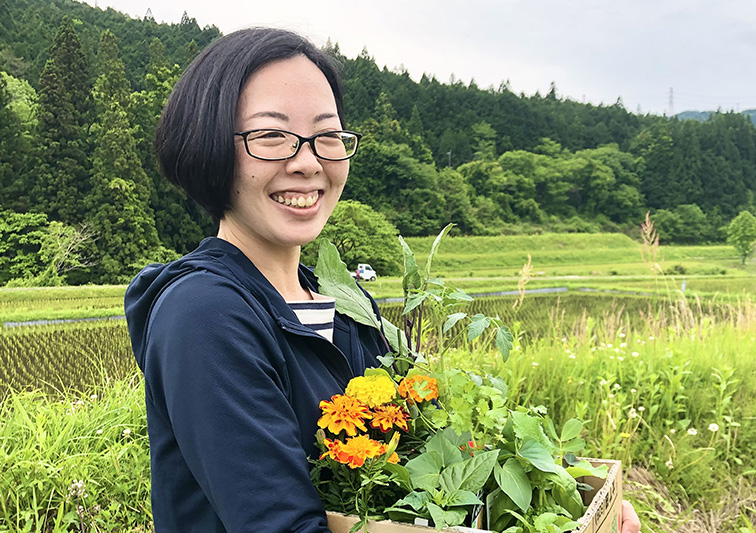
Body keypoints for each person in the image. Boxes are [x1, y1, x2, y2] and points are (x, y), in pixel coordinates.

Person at [125, 27, 641, 533]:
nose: (308, 162)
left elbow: (433, 452)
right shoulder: (205, 315)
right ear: (209, 145)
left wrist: (577, 495)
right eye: (272, 136)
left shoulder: (346, 306)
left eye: (327, 137)